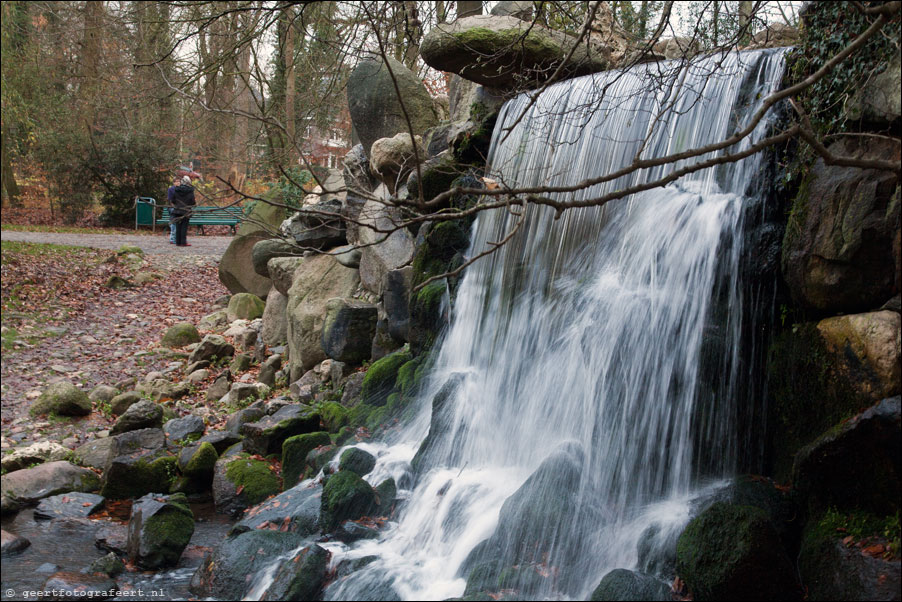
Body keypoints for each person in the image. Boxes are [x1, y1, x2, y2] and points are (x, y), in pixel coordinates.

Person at [171, 176, 196, 247]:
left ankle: (178, 242)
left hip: (177, 210)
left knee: (178, 226)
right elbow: (193, 202)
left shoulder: (177, 190)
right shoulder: (190, 191)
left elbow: (173, 200)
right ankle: (183, 242)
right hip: (186, 211)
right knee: (184, 227)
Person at [166, 177, 179, 244]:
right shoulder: (171, 189)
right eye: (176, 181)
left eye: (179, 181)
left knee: (176, 223)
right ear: (174, 182)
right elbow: (170, 199)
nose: (178, 183)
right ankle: (172, 238)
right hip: (172, 207)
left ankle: (175, 237)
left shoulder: (180, 189)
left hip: (179, 208)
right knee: (173, 223)